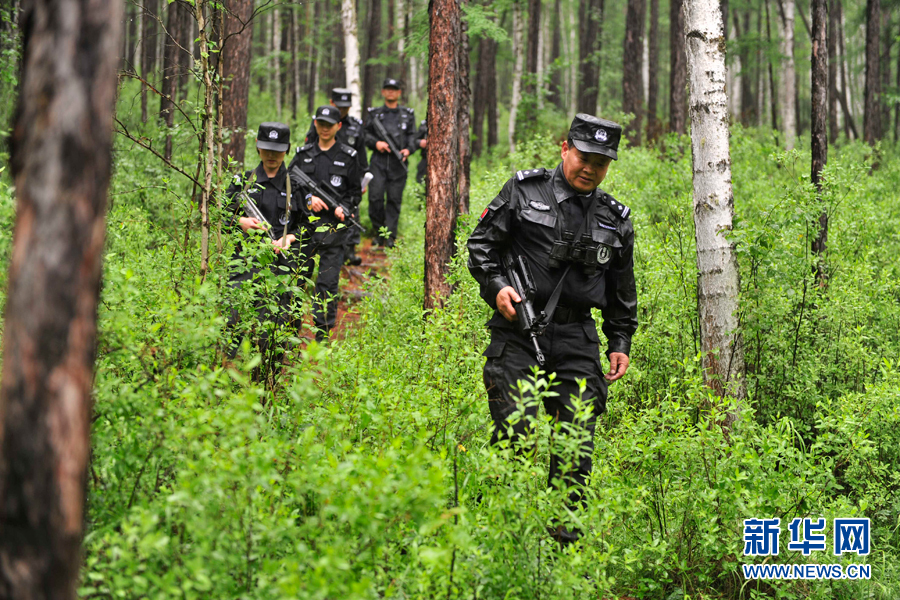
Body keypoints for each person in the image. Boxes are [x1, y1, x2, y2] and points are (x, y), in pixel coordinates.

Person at [466, 114, 638, 544]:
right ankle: (501, 539)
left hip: (577, 337)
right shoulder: (524, 192)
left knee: (575, 446)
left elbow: (621, 288)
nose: (590, 168)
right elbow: (481, 245)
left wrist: (620, 340)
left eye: (601, 162)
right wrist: (498, 287)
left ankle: (563, 550)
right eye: (584, 157)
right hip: (518, 332)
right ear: (566, 148)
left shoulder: (615, 219)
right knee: (516, 433)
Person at [224, 122, 303, 358]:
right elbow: (219, 214)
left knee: (271, 333)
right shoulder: (242, 182)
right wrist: (241, 223)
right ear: (258, 148)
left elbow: (308, 226)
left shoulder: (296, 185)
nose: (271, 155)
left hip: (278, 268)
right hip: (243, 264)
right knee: (231, 322)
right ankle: (218, 378)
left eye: (277, 150)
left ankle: (266, 387)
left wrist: (289, 238)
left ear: (287, 150)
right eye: (267, 149)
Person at [289, 105, 363, 341]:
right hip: (304, 230)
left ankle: (322, 335)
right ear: (316, 124)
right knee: (297, 281)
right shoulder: (302, 154)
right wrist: (309, 199)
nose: (324, 129)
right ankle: (291, 333)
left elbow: (355, 192)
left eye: (329, 125)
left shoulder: (348, 156)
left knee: (327, 285)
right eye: (320, 124)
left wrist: (346, 208)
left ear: (338, 126)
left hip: (334, 232)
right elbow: (289, 183)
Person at [303, 87, 369, 266]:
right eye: (339, 106)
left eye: (346, 107)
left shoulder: (356, 125)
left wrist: (363, 179)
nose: (342, 110)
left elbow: (361, 156)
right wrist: (308, 197)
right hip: (313, 204)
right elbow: (295, 178)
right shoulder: (311, 139)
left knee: (350, 213)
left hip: (347, 179)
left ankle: (349, 250)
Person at [365, 78, 416, 247]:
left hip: (398, 164)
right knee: (375, 197)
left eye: (394, 89)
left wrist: (408, 149)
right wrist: (376, 143)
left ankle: (390, 236)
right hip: (378, 162)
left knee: (394, 199)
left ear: (399, 92)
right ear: (383, 92)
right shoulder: (374, 114)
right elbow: (364, 135)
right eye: (387, 89)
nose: (391, 92)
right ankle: (379, 233)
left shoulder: (407, 114)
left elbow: (413, 136)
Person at [413, 118, 427, 184]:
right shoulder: (425, 124)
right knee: (421, 183)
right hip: (425, 160)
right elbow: (414, 141)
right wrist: (420, 142)